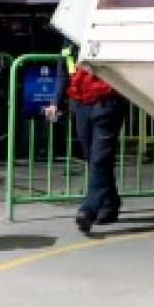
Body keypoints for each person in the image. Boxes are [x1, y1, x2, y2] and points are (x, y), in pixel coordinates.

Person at [43, 43, 130, 235]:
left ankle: (88, 209)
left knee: (100, 158)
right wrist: (55, 103)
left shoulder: (105, 34)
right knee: (93, 157)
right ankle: (110, 203)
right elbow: (63, 74)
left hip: (108, 103)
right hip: (81, 105)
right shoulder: (68, 44)